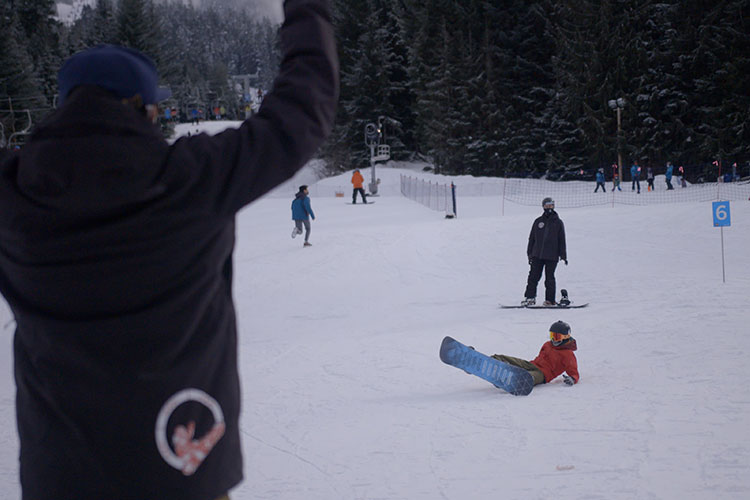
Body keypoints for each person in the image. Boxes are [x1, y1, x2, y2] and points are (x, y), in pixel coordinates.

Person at [0, 0, 339, 498]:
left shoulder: (12, 191)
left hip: (60, 476)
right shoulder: (191, 178)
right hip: (181, 468)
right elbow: (301, 111)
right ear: (146, 108)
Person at [491, 320, 579, 387]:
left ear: (565, 337)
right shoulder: (547, 344)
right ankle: (492, 361)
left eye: (556, 337)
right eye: (552, 335)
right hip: (532, 365)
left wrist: (573, 378)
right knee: (509, 360)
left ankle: (510, 380)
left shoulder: (568, 354)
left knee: (528, 377)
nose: (553, 340)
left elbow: (573, 371)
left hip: (543, 375)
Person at [522, 197, 567, 306]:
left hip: (552, 256)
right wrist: (530, 253)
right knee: (533, 277)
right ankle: (530, 298)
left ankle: (550, 300)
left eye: (551, 205)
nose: (549, 207)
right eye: (546, 205)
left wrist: (563, 255)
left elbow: (562, 240)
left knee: (549, 278)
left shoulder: (558, 222)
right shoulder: (538, 221)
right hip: (537, 255)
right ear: (543, 207)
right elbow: (532, 238)